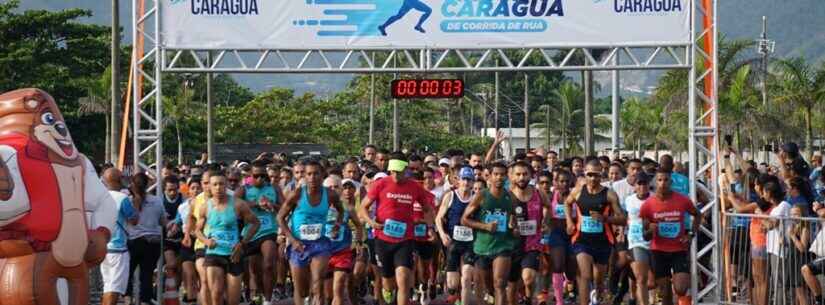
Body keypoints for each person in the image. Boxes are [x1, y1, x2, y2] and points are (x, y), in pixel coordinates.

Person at [358, 152, 435, 305]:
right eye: (392, 170)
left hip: (405, 240)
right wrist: (371, 222)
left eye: (399, 171)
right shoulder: (380, 184)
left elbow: (428, 209)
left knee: (404, 280)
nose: (395, 174)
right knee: (388, 283)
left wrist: (430, 227)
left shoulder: (414, 187)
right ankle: (387, 291)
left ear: (405, 169)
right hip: (383, 240)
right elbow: (363, 207)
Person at [277, 160, 344, 305]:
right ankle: (306, 299)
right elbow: (280, 217)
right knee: (302, 290)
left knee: (318, 282)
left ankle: (317, 299)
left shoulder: (330, 194)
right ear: (305, 177)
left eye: (316, 173)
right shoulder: (297, 194)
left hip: (320, 243)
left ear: (322, 175)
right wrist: (292, 240)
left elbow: (341, 209)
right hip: (298, 244)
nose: (312, 177)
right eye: (309, 174)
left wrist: (337, 224)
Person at [194, 171, 260, 305]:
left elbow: (255, 223)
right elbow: (197, 231)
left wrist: (242, 243)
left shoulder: (238, 204)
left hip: (233, 255)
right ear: (209, 187)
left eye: (221, 184)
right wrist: (206, 241)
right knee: (216, 294)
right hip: (214, 254)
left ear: (226, 186)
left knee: (233, 300)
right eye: (215, 184)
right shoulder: (205, 207)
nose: (218, 187)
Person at [564, 160, 624, 305]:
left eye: (596, 175)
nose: (593, 179)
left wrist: (604, 218)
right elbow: (567, 202)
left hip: (602, 242)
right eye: (590, 175)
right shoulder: (579, 190)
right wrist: (569, 222)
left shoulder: (609, 194)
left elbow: (622, 219)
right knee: (585, 275)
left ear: (601, 175)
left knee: (598, 281)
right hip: (581, 240)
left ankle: (597, 296)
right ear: (585, 173)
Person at [639, 169, 701, 305]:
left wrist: (690, 234)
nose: (663, 183)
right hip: (658, 251)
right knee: (665, 292)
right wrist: (650, 229)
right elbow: (645, 236)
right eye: (660, 180)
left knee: (680, 288)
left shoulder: (683, 200)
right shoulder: (647, 205)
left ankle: (679, 290)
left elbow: (697, 215)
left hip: (678, 249)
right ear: (655, 183)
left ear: (671, 182)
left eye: (666, 180)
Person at [461, 162, 518, 305]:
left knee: (499, 283)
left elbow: (513, 220)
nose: (499, 177)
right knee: (489, 286)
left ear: (507, 177)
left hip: (503, 245)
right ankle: (492, 296)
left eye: (502, 174)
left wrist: (514, 227)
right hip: (483, 247)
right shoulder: (481, 195)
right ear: (490, 176)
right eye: (496, 174)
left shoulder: (510, 197)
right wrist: (485, 226)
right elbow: (464, 220)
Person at [235, 160, 284, 305]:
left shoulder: (274, 188)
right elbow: (233, 205)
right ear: (250, 175)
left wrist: (271, 205)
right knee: (255, 271)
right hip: (250, 233)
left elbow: (284, 207)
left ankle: (268, 300)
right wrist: (256, 204)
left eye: (263, 176)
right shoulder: (244, 189)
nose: (260, 179)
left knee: (269, 264)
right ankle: (261, 293)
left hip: (269, 230)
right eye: (256, 176)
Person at [507, 161, 549, 305]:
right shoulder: (507, 195)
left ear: (531, 175)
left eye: (525, 174)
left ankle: (528, 298)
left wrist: (545, 221)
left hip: (533, 244)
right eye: (518, 174)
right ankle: (521, 297)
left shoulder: (539, 193)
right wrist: (509, 224)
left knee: (528, 278)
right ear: (512, 177)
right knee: (512, 285)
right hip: (512, 245)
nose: (521, 177)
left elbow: (548, 207)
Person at [436, 167, 478, 305]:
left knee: (466, 278)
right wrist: (442, 234)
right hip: (452, 242)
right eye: (464, 179)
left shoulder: (477, 198)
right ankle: (455, 294)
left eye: (469, 179)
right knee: (452, 285)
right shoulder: (450, 196)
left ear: (473, 182)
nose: (466, 182)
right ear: (458, 180)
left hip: (470, 243)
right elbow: (438, 218)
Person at [125, 172, 168, 305]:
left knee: (127, 273)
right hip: (153, 242)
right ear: (148, 184)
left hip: (134, 242)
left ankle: (127, 299)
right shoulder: (157, 200)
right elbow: (162, 221)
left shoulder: (128, 201)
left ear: (132, 185)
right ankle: (145, 301)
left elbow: (128, 220)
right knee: (147, 275)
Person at [100, 168, 140, 305]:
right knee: (115, 288)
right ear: (119, 180)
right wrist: (136, 202)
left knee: (107, 286)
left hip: (103, 248)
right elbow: (134, 220)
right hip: (118, 249)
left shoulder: (100, 197)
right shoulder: (122, 199)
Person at [326, 178, 364, 305]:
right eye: (329, 187)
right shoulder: (316, 208)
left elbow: (359, 226)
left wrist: (358, 243)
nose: (333, 190)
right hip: (322, 254)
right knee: (326, 296)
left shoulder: (348, 208)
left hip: (342, 253)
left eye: (336, 187)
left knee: (339, 288)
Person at [624, 172, 653, 305]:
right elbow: (626, 217)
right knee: (641, 278)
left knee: (652, 283)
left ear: (649, 185)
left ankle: (654, 298)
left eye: (645, 183)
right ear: (634, 186)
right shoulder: (629, 200)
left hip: (655, 242)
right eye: (639, 184)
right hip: (636, 241)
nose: (642, 187)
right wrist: (620, 232)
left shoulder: (655, 199)